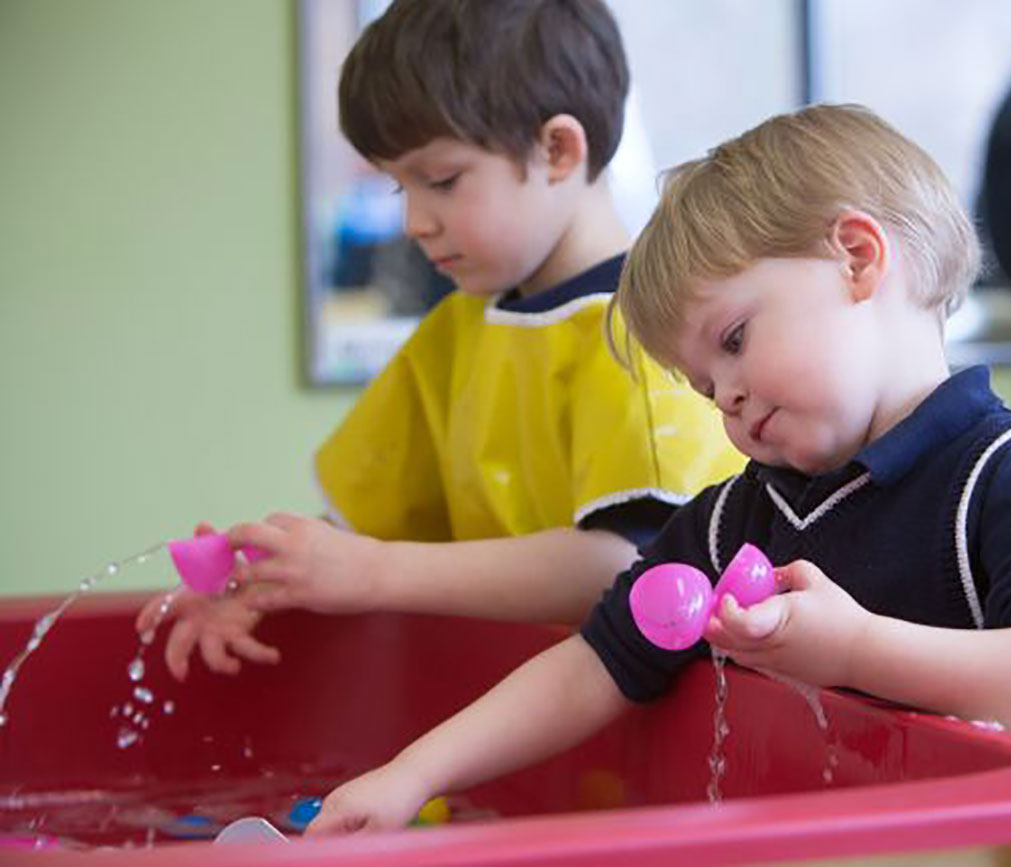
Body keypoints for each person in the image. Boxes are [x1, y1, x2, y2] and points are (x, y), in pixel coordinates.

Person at [270, 103, 1011, 835]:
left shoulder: (1008, 476)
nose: (724, 398)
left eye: (734, 340)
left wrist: (853, 646)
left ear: (856, 256)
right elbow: (596, 663)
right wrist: (410, 772)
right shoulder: (739, 518)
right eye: (702, 383)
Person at [135, 0, 742, 679]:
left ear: (556, 150)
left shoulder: (642, 334)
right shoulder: (454, 333)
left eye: (442, 181)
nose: (417, 222)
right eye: (401, 188)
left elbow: (627, 563)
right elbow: (370, 531)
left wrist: (372, 572)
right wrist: (271, 579)